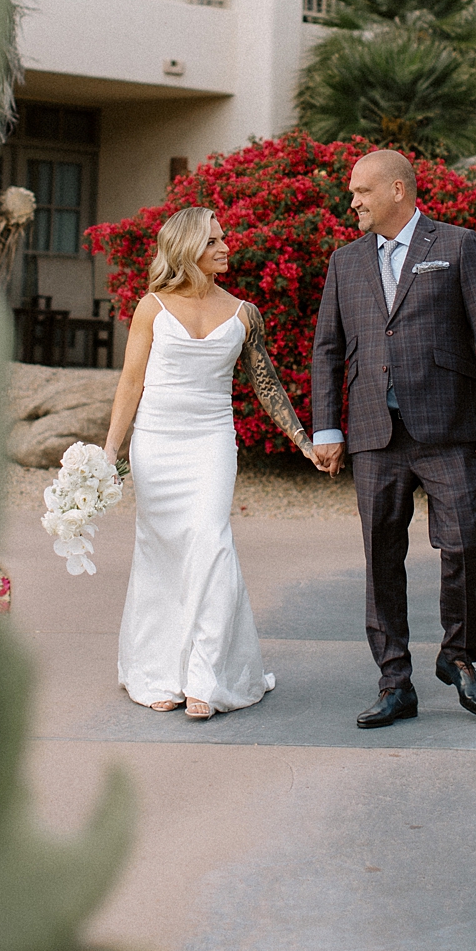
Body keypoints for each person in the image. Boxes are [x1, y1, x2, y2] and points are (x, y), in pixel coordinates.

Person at [308, 148, 476, 729]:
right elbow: (327, 349)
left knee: (464, 542)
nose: (352, 202)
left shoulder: (456, 246)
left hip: (446, 428)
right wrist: (327, 427)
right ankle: (395, 683)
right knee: (381, 558)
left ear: (397, 190)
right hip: (374, 432)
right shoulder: (345, 262)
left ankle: (458, 657)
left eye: (361, 192)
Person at [103, 207, 311, 718]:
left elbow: (265, 384)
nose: (225, 247)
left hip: (211, 441)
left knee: (211, 543)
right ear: (187, 248)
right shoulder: (152, 307)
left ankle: (207, 676)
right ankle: (156, 671)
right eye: (214, 240)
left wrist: (302, 439)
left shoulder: (244, 313)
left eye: (223, 238)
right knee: (161, 552)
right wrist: (109, 450)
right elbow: (131, 382)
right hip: (156, 442)